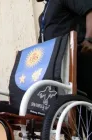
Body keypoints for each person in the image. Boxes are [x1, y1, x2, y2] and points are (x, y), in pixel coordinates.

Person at [37, 0, 92, 137]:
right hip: (61, 69)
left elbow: (90, 10)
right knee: (76, 118)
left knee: (87, 113)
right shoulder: (44, 12)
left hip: (78, 61)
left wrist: (89, 40)